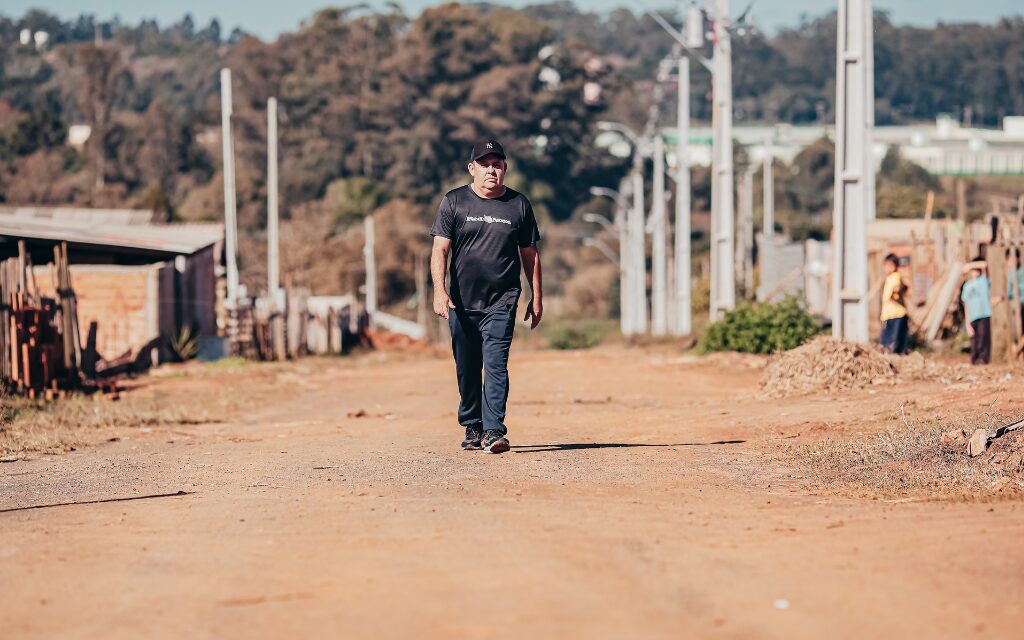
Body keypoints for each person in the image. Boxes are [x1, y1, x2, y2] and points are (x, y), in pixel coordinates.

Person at [430, 139, 543, 454]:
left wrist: (537, 297)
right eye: (485, 164)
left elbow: (530, 254)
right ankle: (473, 425)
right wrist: (439, 292)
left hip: (502, 300)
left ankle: (494, 431)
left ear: (505, 168)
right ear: (472, 169)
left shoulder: (518, 205)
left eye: (497, 164)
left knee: (495, 364)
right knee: (467, 365)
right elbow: (440, 249)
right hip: (461, 303)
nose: (491, 170)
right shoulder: (454, 202)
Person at [961, 260, 993, 365]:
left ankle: (983, 360)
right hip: (972, 316)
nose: (974, 272)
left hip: (984, 314)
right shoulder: (967, 286)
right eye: (972, 271)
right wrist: (967, 322)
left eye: (976, 270)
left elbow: (985, 264)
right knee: (974, 341)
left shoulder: (983, 280)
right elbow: (965, 304)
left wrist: (969, 265)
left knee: (983, 338)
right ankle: (974, 361)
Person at [879, 253, 909, 354]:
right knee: (888, 339)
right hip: (889, 314)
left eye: (890, 265)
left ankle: (894, 354)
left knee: (893, 340)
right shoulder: (889, 278)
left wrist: (897, 290)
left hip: (896, 314)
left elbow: (898, 286)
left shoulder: (895, 276)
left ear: (896, 266)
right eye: (886, 266)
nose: (888, 268)